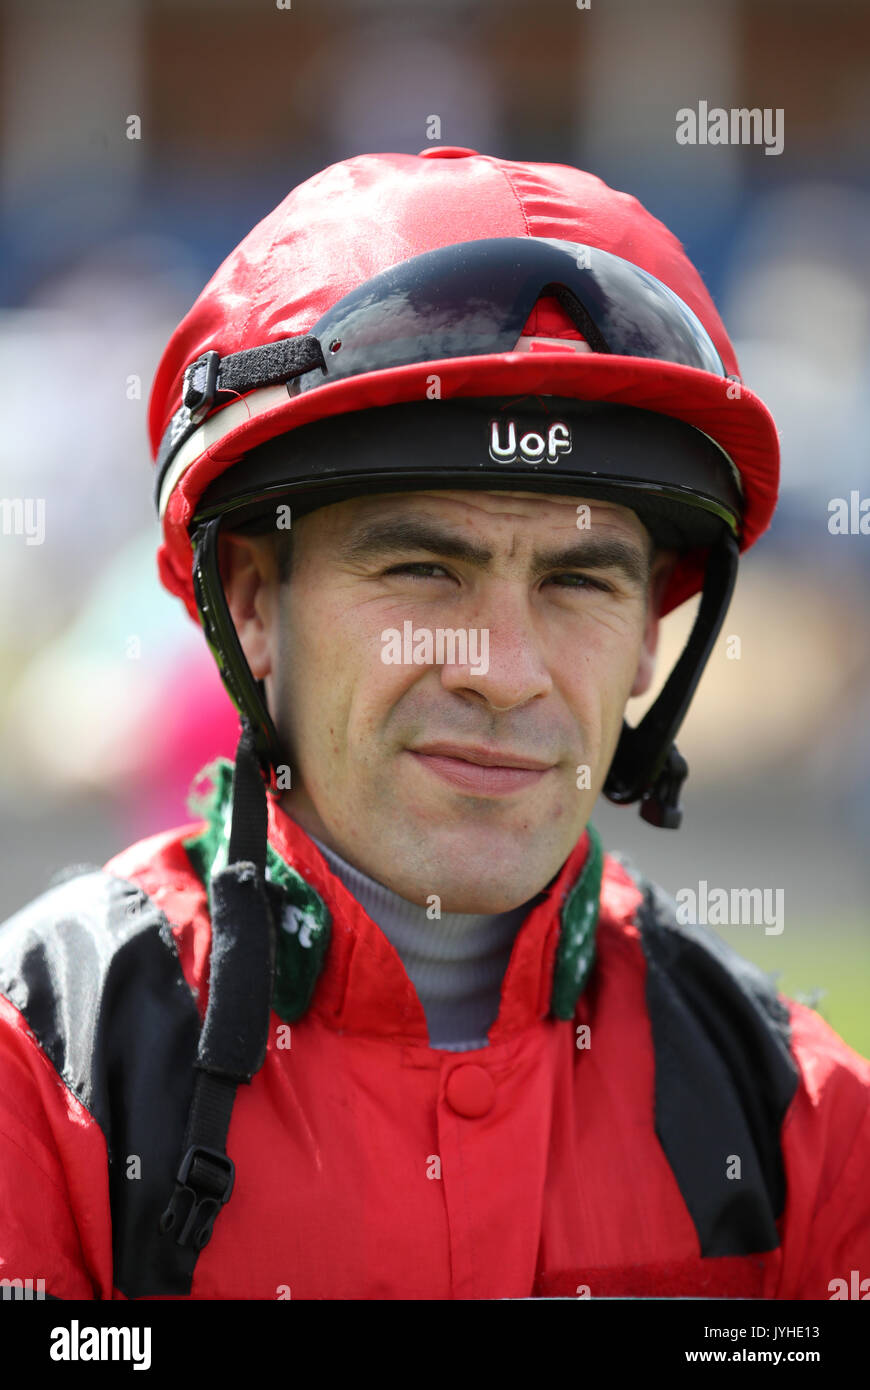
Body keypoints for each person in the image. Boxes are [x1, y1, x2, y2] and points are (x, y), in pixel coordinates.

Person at [1, 148, 867, 1302]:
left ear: (653, 636)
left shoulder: (809, 1124)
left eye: (578, 582)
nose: (504, 674)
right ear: (254, 603)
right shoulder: (38, 1077)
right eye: (422, 567)